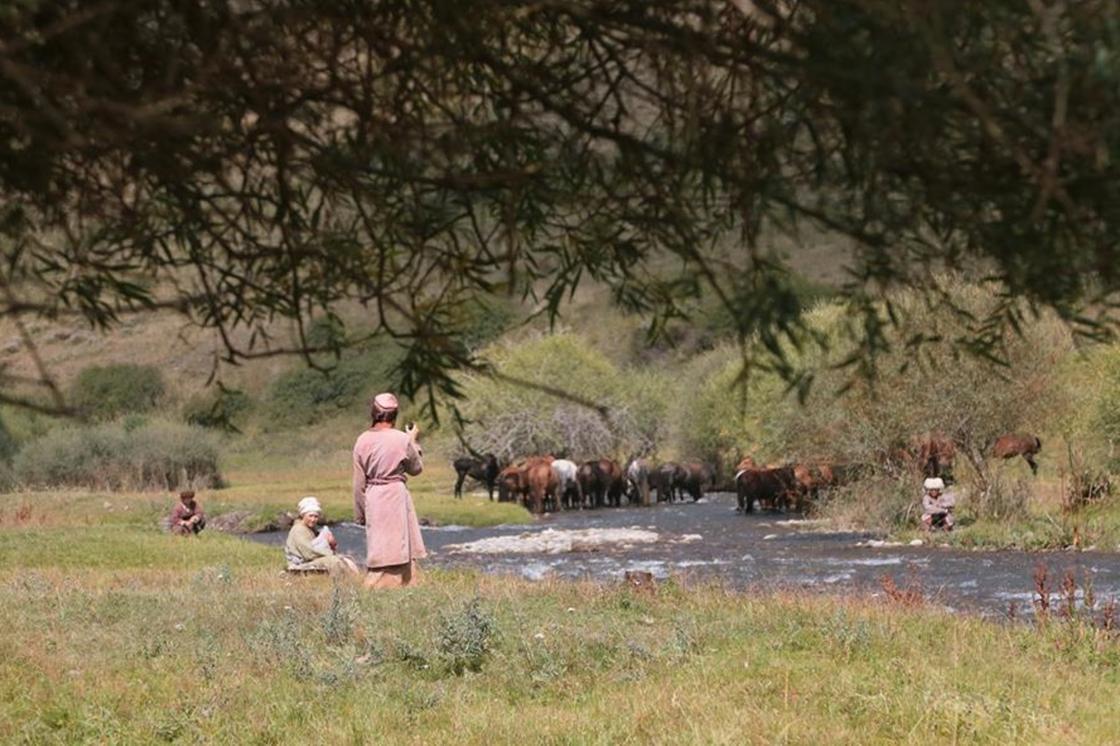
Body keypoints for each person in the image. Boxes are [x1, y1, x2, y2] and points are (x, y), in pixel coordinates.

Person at [352, 392, 426, 589]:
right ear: (394, 415)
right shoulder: (402, 439)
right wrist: (412, 440)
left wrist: (360, 514)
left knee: (379, 547)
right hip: (396, 495)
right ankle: (404, 586)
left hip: (374, 496)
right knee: (402, 545)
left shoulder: (362, 441)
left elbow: (359, 483)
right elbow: (416, 469)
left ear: (374, 413)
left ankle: (376, 586)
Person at [284, 496, 359, 575]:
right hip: (299, 566)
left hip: (308, 562)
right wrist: (331, 553)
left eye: (315, 516)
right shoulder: (298, 530)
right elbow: (309, 553)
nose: (313, 519)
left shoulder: (310, 529)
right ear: (303, 515)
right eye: (310, 516)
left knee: (344, 559)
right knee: (334, 561)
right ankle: (338, 583)